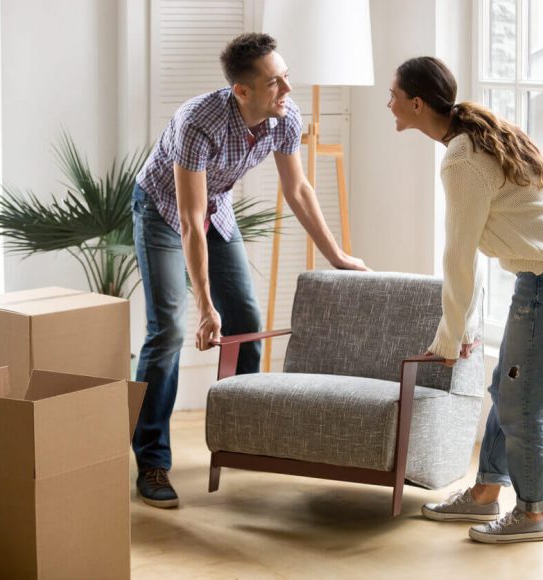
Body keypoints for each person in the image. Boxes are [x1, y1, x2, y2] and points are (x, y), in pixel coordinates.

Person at [132, 33, 367, 509]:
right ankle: (152, 459)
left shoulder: (284, 117)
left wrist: (336, 255)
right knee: (169, 330)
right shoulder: (199, 121)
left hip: (214, 207)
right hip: (161, 210)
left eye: (286, 77)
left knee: (246, 321)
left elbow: (298, 190)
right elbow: (189, 221)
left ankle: (241, 436)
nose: (286, 89)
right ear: (242, 91)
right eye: (274, 82)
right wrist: (204, 308)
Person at [387, 56, 543, 543]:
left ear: (417, 103)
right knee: (507, 389)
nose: (388, 103)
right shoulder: (468, 142)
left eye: (394, 94)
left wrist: (450, 337)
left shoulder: (461, 158)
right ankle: (484, 493)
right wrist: (457, 328)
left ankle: (534, 513)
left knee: (522, 403)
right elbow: (470, 253)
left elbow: (459, 256)